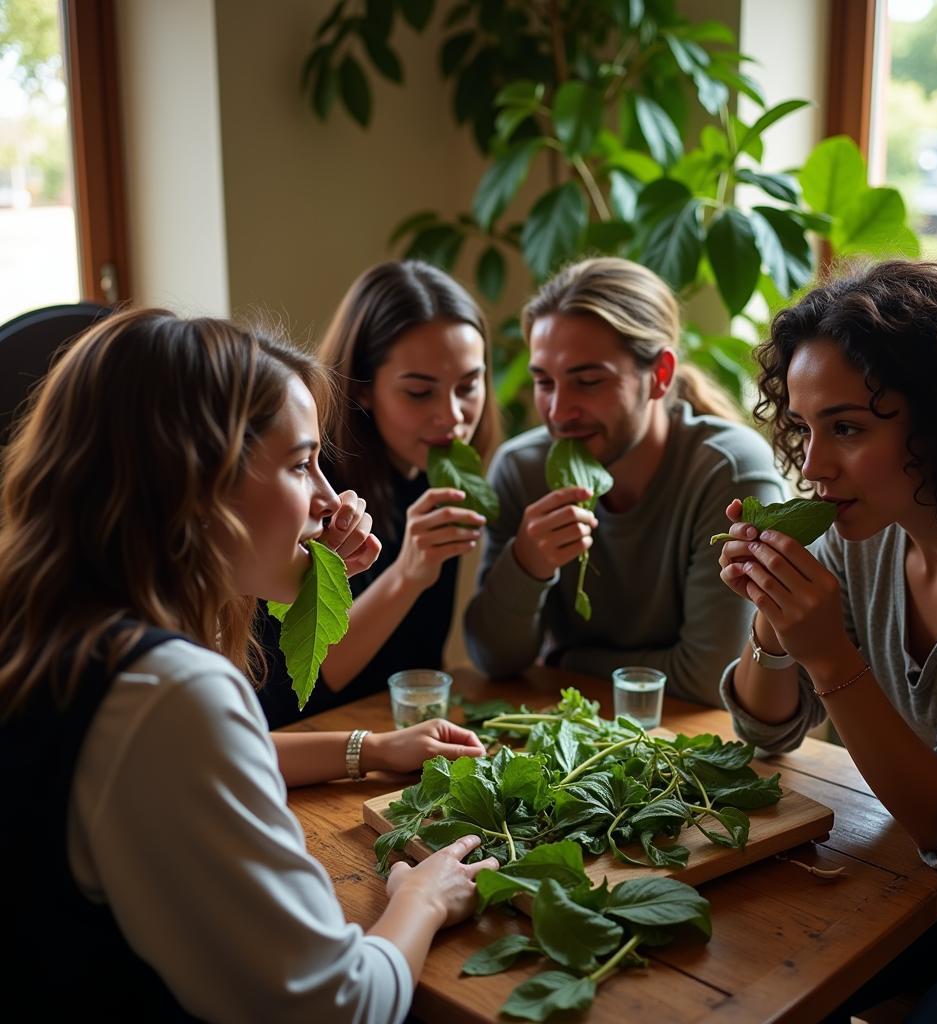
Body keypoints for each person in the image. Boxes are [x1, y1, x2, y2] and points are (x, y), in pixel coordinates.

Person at [0, 309, 497, 1021]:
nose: (329, 500)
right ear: (197, 487)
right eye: (301, 466)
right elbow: (339, 1003)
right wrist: (422, 898)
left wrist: (369, 748)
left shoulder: (53, 630)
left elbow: (193, 756)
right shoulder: (168, 695)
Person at [716, 260, 937, 1020]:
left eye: (847, 428)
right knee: (749, 986)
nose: (814, 467)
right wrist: (772, 615)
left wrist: (827, 655)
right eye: (804, 427)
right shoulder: (863, 532)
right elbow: (764, 727)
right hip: (932, 873)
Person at [464, 257, 787, 704]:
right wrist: (526, 564)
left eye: (588, 381)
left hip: (694, 742)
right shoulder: (520, 468)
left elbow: (712, 678)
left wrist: (567, 661)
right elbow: (493, 660)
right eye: (544, 382)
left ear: (659, 376)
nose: (558, 412)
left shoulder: (728, 473)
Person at [258, 260, 500, 728]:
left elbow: (420, 662)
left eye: (468, 386)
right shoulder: (311, 491)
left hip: (398, 732)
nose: (452, 417)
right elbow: (297, 688)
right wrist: (409, 573)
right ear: (364, 389)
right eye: (419, 393)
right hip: (315, 738)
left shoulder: (438, 472)